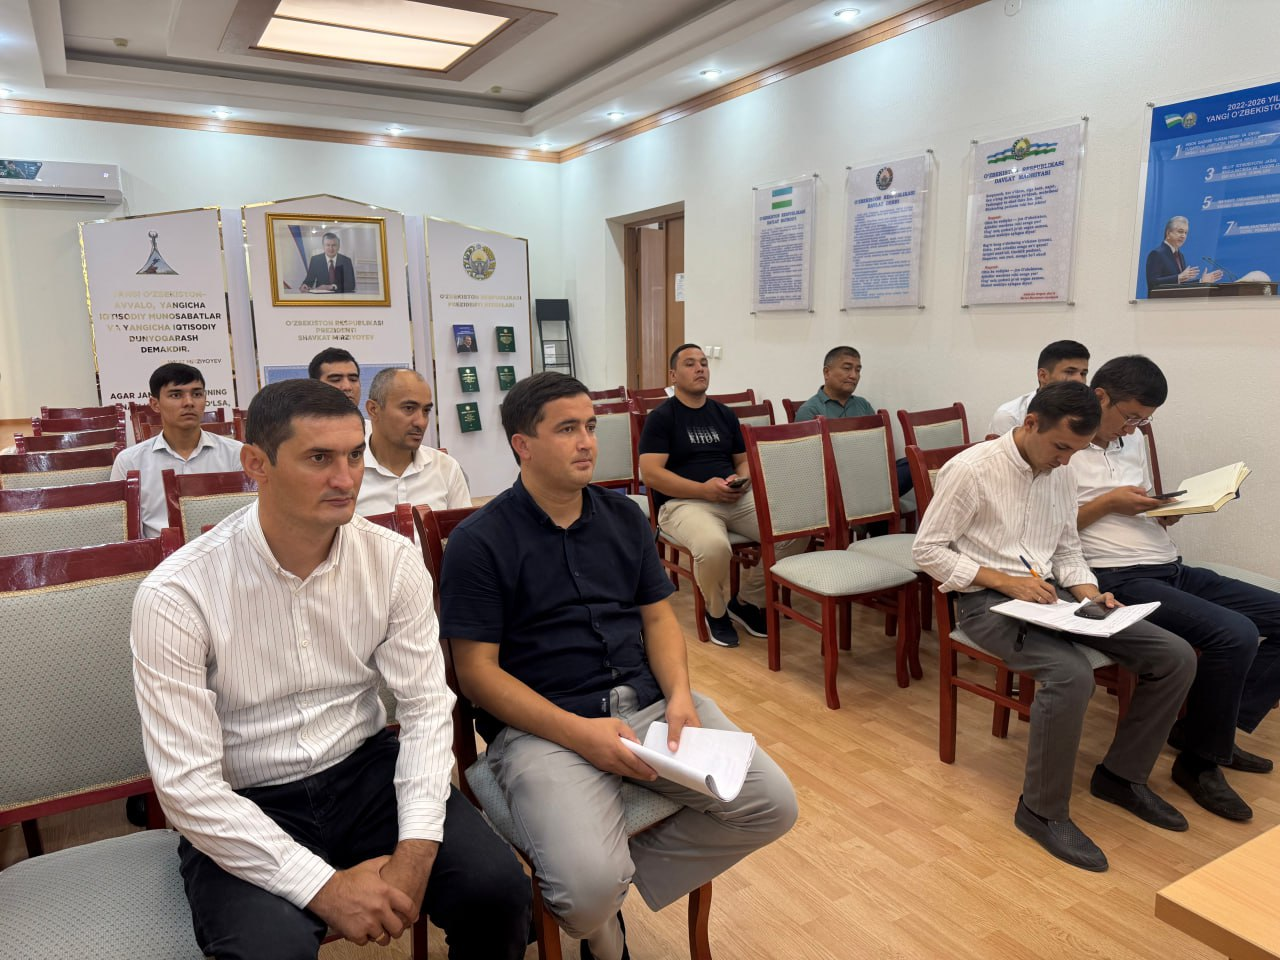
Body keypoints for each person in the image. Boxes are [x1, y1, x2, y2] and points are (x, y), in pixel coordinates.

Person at [130, 378, 530, 960]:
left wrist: (416, 853)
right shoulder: (177, 593)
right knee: (270, 951)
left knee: (497, 892)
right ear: (256, 464)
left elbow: (425, 709)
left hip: (364, 771)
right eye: (319, 458)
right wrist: (327, 888)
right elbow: (187, 785)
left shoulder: (392, 560)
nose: (346, 480)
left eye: (354, 455)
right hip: (246, 797)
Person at [441, 371, 797, 960]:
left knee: (772, 805)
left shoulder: (624, 517)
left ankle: (613, 885)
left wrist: (679, 697)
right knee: (584, 900)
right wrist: (581, 734)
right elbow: (477, 673)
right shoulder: (479, 541)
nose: (587, 442)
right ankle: (601, 914)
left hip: (650, 709)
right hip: (545, 728)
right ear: (522, 444)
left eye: (590, 427)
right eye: (567, 430)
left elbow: (658, 619)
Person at [912, 381, 1196, 873]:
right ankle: (1041, 811)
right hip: (986, 602)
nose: (1066, 461)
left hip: (1053, 596)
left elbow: (1067, 550)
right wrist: (1005, 581)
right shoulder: (971, 469)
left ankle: (1121, 776)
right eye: (1061, 447)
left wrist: (1090, 594)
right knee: (1070, 675)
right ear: (1030, 424)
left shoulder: (1061, 470)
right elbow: (927, 551)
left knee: (1175, 656)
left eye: (1077, 451)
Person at [1074, 355, 1279, 822]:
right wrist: (1107, 503)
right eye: (1131, 416)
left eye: (1144, 420)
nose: (1135, 428)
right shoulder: (1064, 444)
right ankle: (1199, 762)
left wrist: (1164, 512)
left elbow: (1139, 507)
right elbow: (1048, 530)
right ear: (1100, 397)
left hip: (1168, 564)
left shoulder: (1131, 441)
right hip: (1115, 576)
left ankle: (1208, 731)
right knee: (1236, 632)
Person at [638, 344, 806, 647]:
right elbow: (651, 474)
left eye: (703, 363)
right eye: (690, 364)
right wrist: (703, 490)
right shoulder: (662, 417)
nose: (700, 368)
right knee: (713, 547)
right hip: (684, 504)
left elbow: (743, 460)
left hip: (732, 497)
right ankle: (716, 613)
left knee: (796, 527)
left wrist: (741, 479)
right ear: (673, 375)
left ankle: (746, 602)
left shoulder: (723, 414)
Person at [109, 362, 243, 538]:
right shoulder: (129, 462)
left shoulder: (235, 454)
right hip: (161, 553)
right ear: (155, 404)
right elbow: (123, 533)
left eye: (197, 394)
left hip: (223, 549)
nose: (189, 402)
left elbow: (248, 519)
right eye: (176, 395)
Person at [793, 344, 913, 497]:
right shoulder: (809, 411)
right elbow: (807, 465)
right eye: (847, 368)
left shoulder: (863, 404)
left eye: (858, 370)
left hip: (869, 474)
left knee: (913, 463)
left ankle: (875, 500)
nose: (853, 375)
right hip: (836, 484)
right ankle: (875, 502)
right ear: (827, 372)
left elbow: (878, 446)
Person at [356, 368, 471, 515]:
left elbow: (462, 529)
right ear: (373, 409)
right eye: (409, 408)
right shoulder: (347, 473)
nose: (421, 422)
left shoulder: (446, 468)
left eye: (426, 411)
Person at [987, 340, 1091, 436]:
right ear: (1043, 376)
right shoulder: (1009, 416)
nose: (1079, 380)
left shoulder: (1088, 412)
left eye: (1083, 373)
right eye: (1069, 372)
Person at [1145, 216, 1222, 295]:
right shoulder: (1156, 254)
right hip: (1160, 302)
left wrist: (1202, 281)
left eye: (1185, 233)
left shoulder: (1180, 256)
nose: (1183, 236)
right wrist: (1178, 277)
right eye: (1180, 231)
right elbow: (1153, 284)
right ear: (1168, 233)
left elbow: (1181, 286)